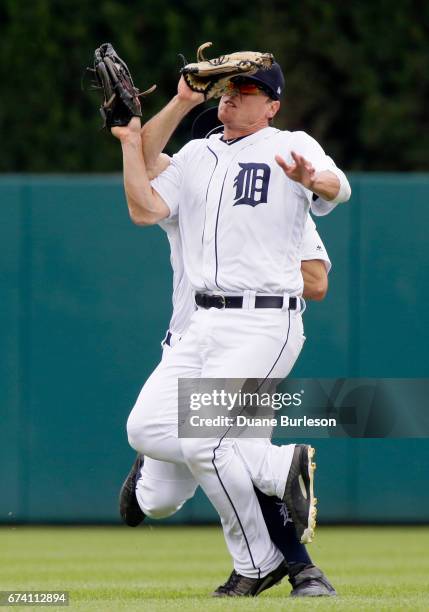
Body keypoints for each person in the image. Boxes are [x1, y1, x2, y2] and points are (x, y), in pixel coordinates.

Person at [112, 60, 351, 597]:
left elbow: (338, 190)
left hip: (261, 324)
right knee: (150, 437)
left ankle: (267, 564)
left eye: (249, 91)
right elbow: (144, 200)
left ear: (272, 106)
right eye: (230, 90)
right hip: (198, 327)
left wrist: (314, 180)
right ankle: (274, 465)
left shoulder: (290, 147)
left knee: (207, 443)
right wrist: (136, 135)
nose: (233, 97)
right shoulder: (197, 157)